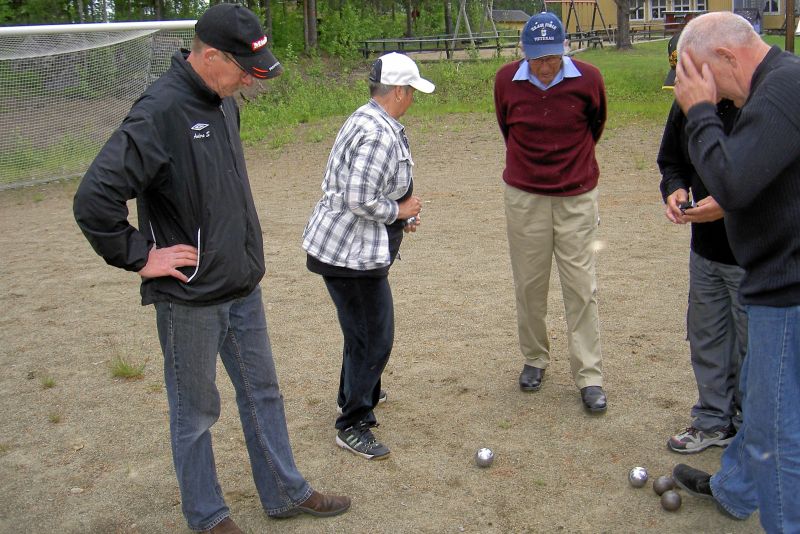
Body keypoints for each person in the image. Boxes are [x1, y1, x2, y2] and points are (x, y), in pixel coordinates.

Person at [73, 4, 350, 532]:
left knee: (262, 392)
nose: (249, 80)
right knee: (196, 412)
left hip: (240, 283)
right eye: (243, 69)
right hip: (190, 297)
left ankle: (284, 491)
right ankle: (207, 516)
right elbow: (94, 199)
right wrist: (139, 256)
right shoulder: (159, 112)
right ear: (210, 55)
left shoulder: (224, 102)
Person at [669, 12, 800, 532]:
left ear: (726, 57)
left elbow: (732, 181)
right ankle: (736, 488)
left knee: (774, 432)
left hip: (787, 290)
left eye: (701, 77)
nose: (703, 92)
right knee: (769, 397)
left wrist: (699, 112)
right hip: (778, 280)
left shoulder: (781, 91)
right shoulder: (781, 84)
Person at [302, 52, 434, 460]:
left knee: (360, 329)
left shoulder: (368, 118)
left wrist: (399, 216)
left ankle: (359, 390)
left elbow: (371, 188)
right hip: (349, 256)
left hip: (351, 249)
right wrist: (399, 212)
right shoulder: (378, 133)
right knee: (373, 336)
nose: (412, 97)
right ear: (397, 90)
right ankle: (353, 422)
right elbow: (361, 198)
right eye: (411, 90)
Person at [493, 12, 608, 413]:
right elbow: (507, 127)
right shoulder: (506, 80)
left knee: (581, 286)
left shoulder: (589, 80)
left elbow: (596, 125)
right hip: (525, 197)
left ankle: (589, 376)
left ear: (564, 50)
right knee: (529, 284)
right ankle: (534, 359)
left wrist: (570, 169)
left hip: (577, 197)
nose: (544, 66)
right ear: (524, 53)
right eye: (537, 58)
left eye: (552, 57)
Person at [657, 32, 747, 454]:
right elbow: (671, 160)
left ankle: (751, 426)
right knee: (707, 335)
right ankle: (712, 420)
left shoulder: (763, 105)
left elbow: (774, 179)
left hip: (753, 255)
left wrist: (728, 205)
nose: (685, 88)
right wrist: (674, 189)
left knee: (753, 344)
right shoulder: (686, 104)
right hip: (705, 250)